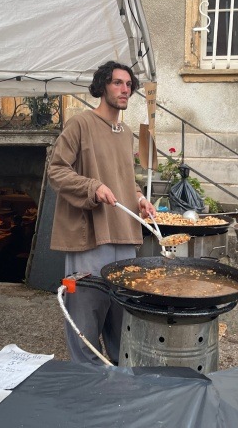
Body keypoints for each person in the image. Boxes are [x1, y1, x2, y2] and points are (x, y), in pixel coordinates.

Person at [48, 61, 156, 364]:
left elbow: (124, 179)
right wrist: (92, 187)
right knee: (85, 319)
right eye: (117, 83)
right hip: (90, 238)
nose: (125, 89)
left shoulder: (126, 132)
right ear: (102, 86)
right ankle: (87, 381)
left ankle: (120, 380)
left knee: (122, 324)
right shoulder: (80, 124)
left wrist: (138, 198)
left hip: (125, 235)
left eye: (128, 84)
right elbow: (56, 170)